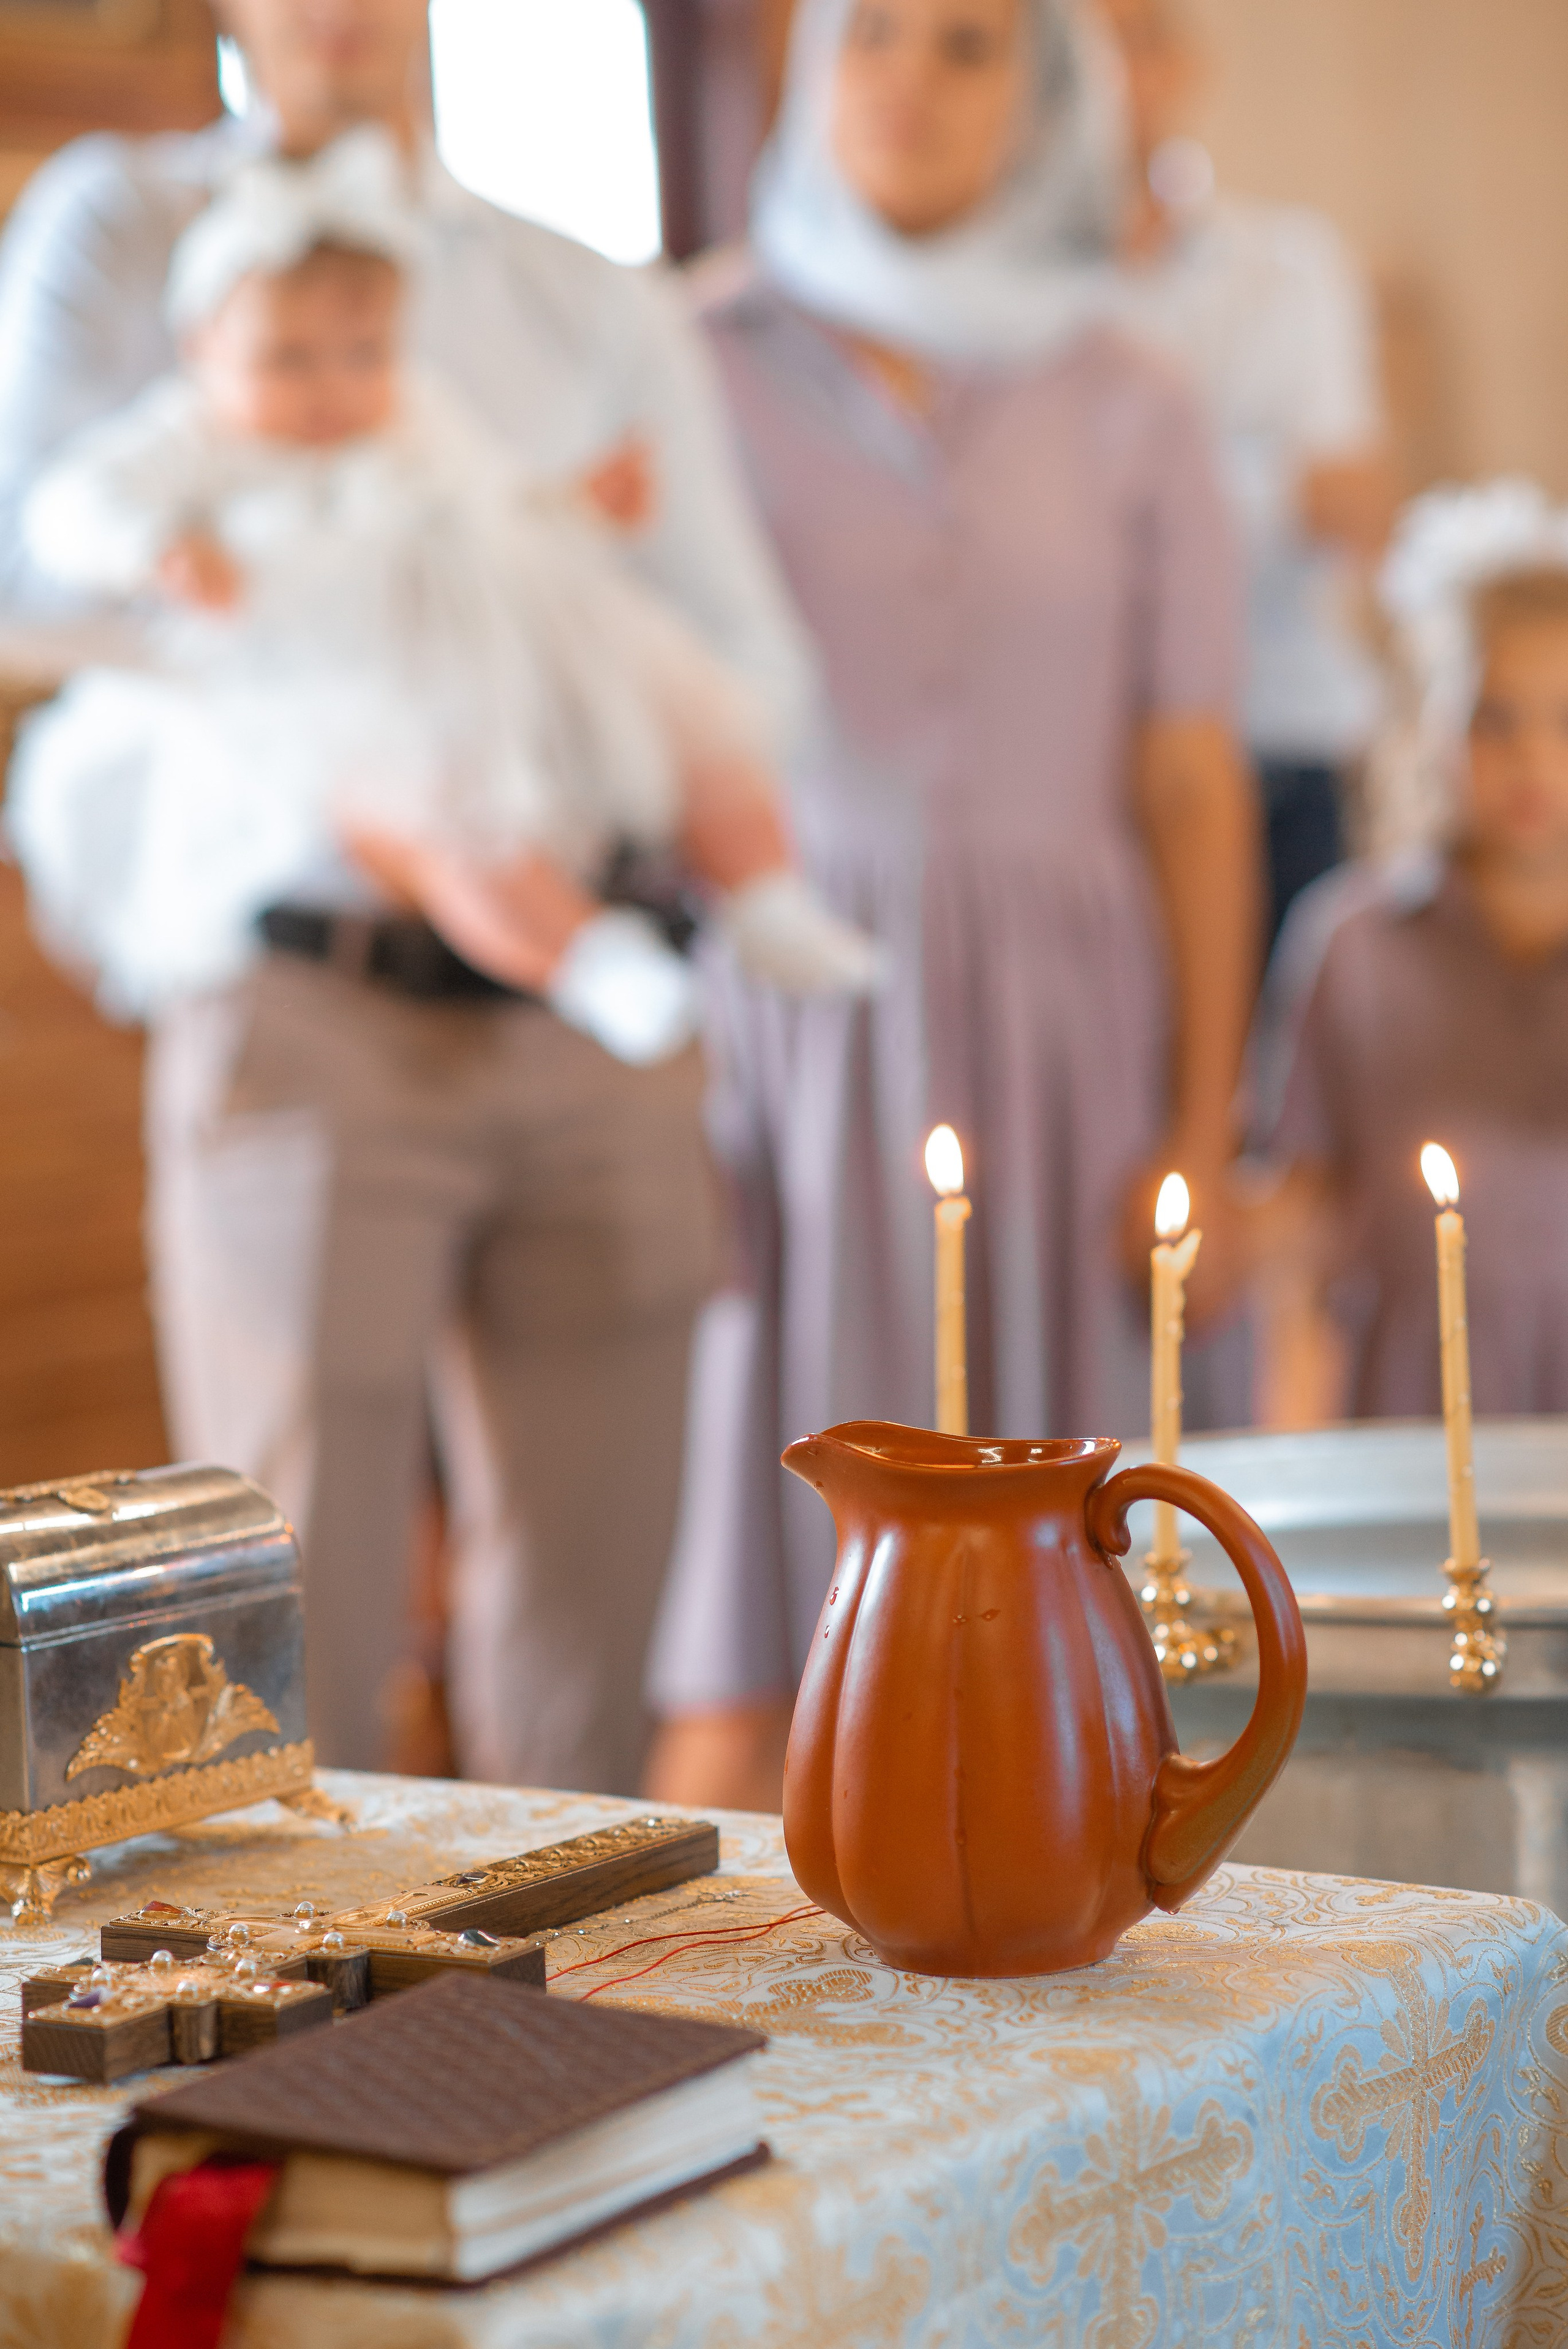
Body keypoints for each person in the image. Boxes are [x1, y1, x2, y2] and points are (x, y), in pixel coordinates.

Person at [0, 0, 813, 1795]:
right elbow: (21, 577)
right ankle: (321, 2066)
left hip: (589, 998)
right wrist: (314, 674)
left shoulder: (580, 293)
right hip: (310, 1003)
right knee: (291, 1653)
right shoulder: (121, 231)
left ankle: (558, 2031)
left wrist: (553, 616)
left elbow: (738, 637)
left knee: (586, 1655)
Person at [644, 0, 1259, 1809]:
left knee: (1097, 1615)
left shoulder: (1134, 386)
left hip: (1074, 1035)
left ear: (1045, 99)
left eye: (971, 45)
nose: (909, 78)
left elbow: (1189, 782)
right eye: (874, 35)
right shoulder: (693, 354)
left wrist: (1207, 1133)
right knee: (757, 1602)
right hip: (788, 1023)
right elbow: (624, 731)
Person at [12, 134, 881, 1057]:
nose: (330, 389)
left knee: (693, 724)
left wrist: (575, 505)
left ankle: (766, 897)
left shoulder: (413, 415)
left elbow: (495, 497)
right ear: (204, 347)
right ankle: (593, 965)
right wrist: (156, 549)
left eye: (359, 354)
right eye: (289, 359)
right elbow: (69, 507)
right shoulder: (195, 437)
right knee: (449, 835)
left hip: (493, 662)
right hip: (350, 699)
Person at [1257, 483, 1568, 1417]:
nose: (1533, 762)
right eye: (1494, 718)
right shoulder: (1349, 944)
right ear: (1428, 723)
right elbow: (1299, 1222)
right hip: (1406, 1411)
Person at [1099, 0, 1397, 949]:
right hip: (1098, 770)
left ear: (1182, 65)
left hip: (1287, 748)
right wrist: (1270, 490)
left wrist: (1128, 504)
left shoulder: (1293, 267)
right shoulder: (1008, 306)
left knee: (1299, 1077)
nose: (1110, 75)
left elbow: (1351, 506)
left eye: (1135, 42)